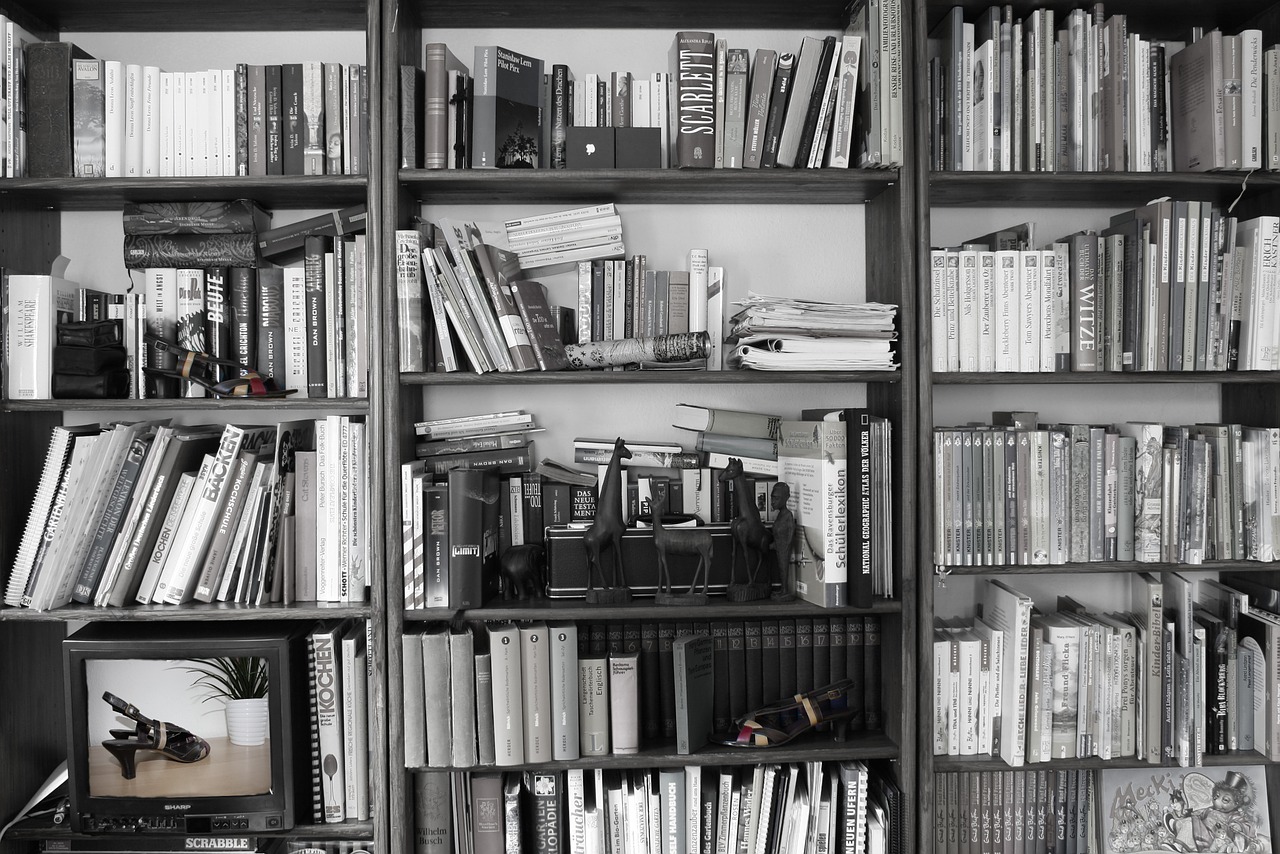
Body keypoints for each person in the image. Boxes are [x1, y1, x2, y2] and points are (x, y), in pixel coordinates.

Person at [770, 481, 795, 600]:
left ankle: (785, 590)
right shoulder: (780, 515)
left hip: (783, 549)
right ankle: (783, 589)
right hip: (779, 547)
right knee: (780, 568)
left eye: (776, 498)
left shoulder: (788, 516)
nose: (772, 502)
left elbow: (790, 534)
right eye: (772, 497)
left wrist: (783, 546)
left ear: (785, 498)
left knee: (783, 568)